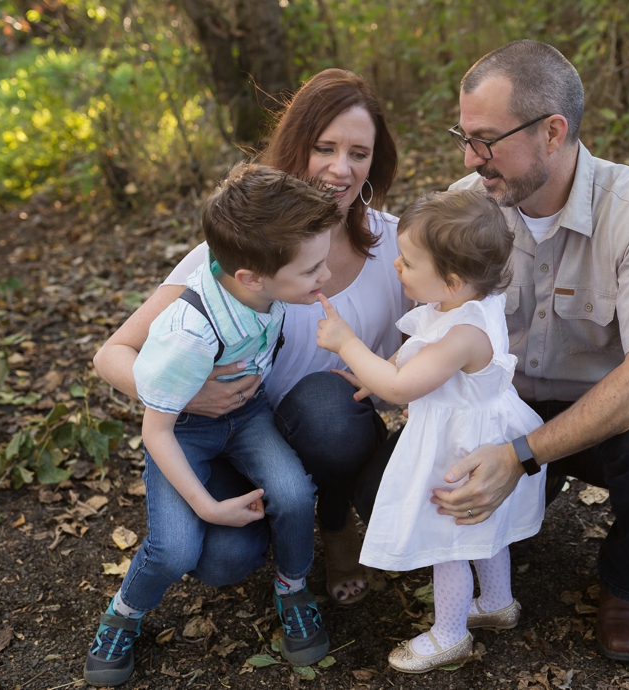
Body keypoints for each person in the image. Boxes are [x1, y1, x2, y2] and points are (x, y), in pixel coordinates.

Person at [93, 68, 408, 606]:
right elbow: (111, 354)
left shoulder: (399, 244)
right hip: (235, 432)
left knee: (328, 408)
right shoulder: (240, 255)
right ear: (295, 150)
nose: (341, 168)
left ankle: (334, 525)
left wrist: (395, 368)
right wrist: (189, 394)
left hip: (336, 429)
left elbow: (450, 326)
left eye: (359, 153)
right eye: (324, 148)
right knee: (223, 560)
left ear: (374, 162)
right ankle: (271, 527)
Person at [432, 40, 629, 662]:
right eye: (464, 135)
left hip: (597, 417)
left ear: (553, 132)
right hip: (498, 411)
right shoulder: (467, 202)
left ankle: (628, 583)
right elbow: (431, 315)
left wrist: (520, 458)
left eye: (487, 139)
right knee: (390, 481)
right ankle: (513, 520)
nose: (471, 158)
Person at [84, 164, 338, 687]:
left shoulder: (263, 276)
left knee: (292, 494)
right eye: (312, 271)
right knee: (175, 547)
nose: (325, 278)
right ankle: (125, 613)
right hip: (182, 433)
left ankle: (293, 588)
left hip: (247, 415)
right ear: (251, 278)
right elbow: (156, 431)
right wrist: (207, 506)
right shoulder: (191, 330)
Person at [316, 190, 545, 672]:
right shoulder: (459, 302)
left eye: (408, 261)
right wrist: (371, 374)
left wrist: (348, 344)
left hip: (460, 448)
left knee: (450, 540)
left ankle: (450, 633)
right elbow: (412, 354)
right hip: (476, 431)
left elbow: (400, 387)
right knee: (482, 530)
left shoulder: (465, 334)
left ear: (454, 279)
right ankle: (498, 603)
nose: (397, 267)